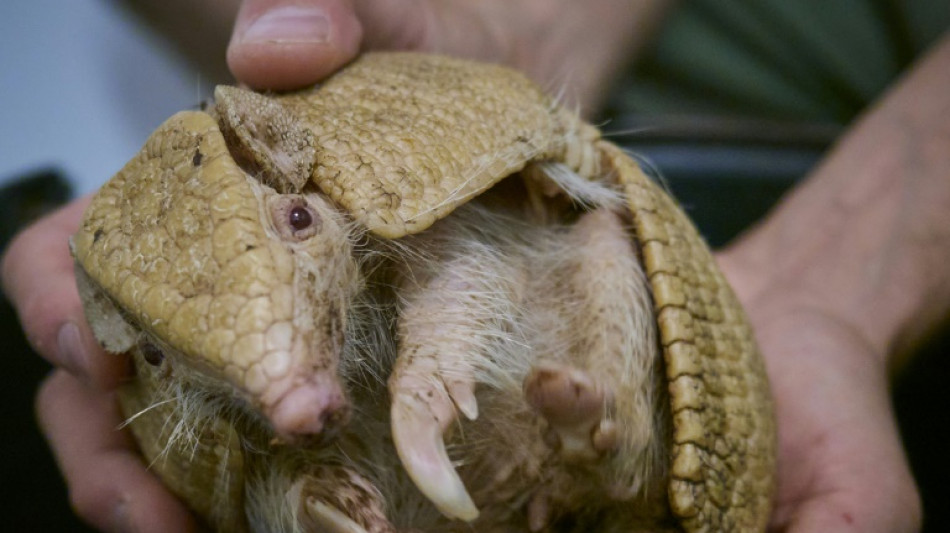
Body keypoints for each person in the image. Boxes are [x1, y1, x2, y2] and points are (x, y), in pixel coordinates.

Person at [2, 1, 939, 531]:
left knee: (594, 243)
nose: (295, 398)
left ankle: (597, 441)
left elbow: (478, 254)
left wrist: (854, 257)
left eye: (299, 221)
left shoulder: (401, 182)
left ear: (292, 172)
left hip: (802, 123)